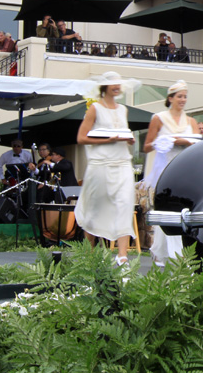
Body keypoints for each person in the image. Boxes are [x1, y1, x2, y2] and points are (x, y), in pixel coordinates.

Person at [74, 71, 140, 267]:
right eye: (113, 83)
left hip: (122, 163)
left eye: (119, 83)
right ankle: (89, 254)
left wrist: (128, 140)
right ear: (105, 87)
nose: (117, 86)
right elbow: (81, 138)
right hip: (100, 165)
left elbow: (123, 133)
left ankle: (122, 257)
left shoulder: (124, 110)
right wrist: (108, 139)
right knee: (96, 208)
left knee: (124, 204)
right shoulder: (95, 108)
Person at [143, 80, 200, 266]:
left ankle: (181, 252)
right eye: (179, 96)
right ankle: (166, 252)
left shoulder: (190, 121)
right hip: (165, 169)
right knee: (167, 209)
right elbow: (146, 146)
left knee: (182, 209)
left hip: (184, 170)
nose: (183, 100)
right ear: (170, 98)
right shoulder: (158, 118)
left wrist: (186, 141)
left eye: (185, 96)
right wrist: (162, 142)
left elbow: (197, 144)